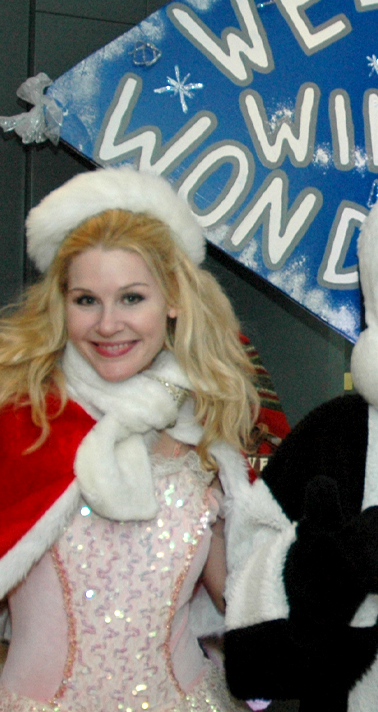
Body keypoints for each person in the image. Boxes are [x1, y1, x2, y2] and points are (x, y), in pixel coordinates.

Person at [0, 167, 259, 712]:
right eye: (86, 300)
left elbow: (243, 607)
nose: (108, 324)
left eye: (131, 298)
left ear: (172, 300)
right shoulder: (21, 425)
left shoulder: (209, 432)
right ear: (61, 304)